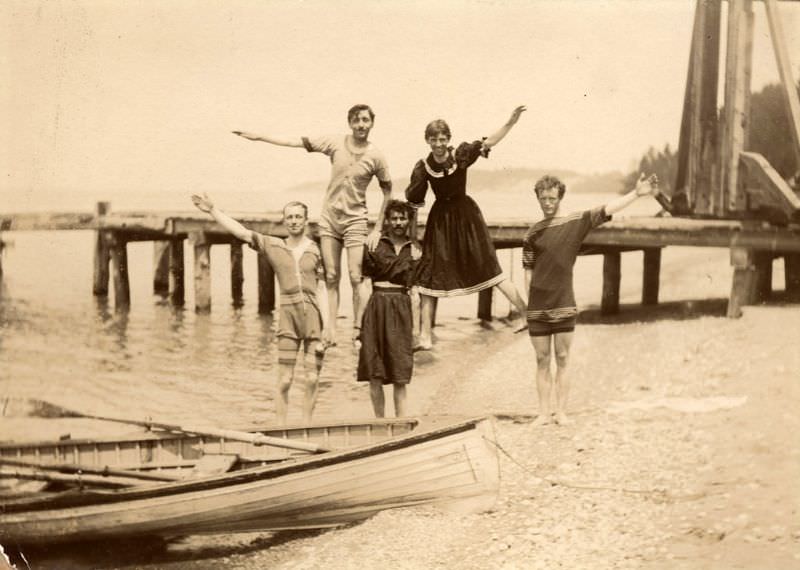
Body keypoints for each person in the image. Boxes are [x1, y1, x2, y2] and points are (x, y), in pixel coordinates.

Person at [233, 104, 392, 347]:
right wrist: (260, 137)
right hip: (330, 219)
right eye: (356, 120)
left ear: (372, 123)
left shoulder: (376, 156)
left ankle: (358, 330)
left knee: (355, 275)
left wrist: (378, 228)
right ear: (349, 123)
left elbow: (387, 190)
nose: (361, 125)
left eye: (365, 120)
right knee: (331, 275)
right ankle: (331, 330)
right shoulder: (335, 143)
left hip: (356, 220)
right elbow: (295, 142)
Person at [523, 173, 659, 427]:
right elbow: (528, 271)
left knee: (562, 357)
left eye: (552, 198)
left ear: (560, 197)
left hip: (564, 302)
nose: (548, 203)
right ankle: (543, 413)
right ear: (538, 199)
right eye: (543, 199)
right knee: (542, 360)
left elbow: (606, 209)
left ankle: (561, 413)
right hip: (537, 307)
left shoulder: (576, 223)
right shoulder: (532, 234)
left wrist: (636, 194)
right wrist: (525, 308)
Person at [190, 193, 327, 425]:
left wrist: (329, 327)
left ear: (306, 220)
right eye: (290, 217)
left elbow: (323, 289)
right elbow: (242, 232)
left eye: (298, 217)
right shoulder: (274, 245)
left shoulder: (316, 250)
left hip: (314, 320)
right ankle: (281, 428)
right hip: (288, 320)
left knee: (312, 378)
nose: (294, 221)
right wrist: (213, 210)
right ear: (284, 221)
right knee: (285, 380)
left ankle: (307, 426)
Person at [405, 106, 529, 350]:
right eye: (434, 140)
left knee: (489, 268)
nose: (439, 144)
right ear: (427, 140)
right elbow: (414, 204)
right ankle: (425, 337)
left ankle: (526, 314)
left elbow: (489, 141)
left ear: (448, 139)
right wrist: (413, 239)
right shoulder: (423, 167)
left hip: (467, 218)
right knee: (427, 276)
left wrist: (511, 122)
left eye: (442, 139)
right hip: (440, 222)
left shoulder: (460, 155)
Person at [356, 199, 420, 418]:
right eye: (394, 218)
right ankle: (380, 423)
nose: (398, 223)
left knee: (400, 374)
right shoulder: (375, 244)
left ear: (409, 221)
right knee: (374, 373)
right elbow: (365, 286)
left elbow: (416, 294)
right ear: (387, 221)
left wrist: (416, 330)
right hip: (376, 307)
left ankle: (401, 424)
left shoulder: (415, 251)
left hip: (402, 310)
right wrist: (357, 325)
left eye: (402, 218)